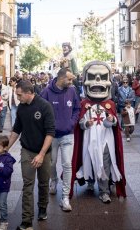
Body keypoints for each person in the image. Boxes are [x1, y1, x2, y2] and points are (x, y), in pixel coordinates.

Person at [71, 61, 126, 204]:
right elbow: (80, 124)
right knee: (89, 160)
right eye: (92, 77)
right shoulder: (84, 104)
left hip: (106, 139)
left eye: (102, 77)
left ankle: (104, 191)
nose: (97, 82)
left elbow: (115, 123)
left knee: (104, 163)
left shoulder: (111, 104)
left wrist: (111, 119)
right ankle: (89, 181)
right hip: (89, 140)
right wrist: (85, 123)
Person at [7, 80, 55, 230]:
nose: (17, 97)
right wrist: (5, 149)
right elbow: (16, 130)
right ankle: (26, 221)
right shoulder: (21, 107)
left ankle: (42, 208)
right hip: (27, 150)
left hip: (44, 152)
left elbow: (50, 132)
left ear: (29, 93)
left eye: (19, 94)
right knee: (28, 185)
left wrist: (41, 155)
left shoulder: (45, 106)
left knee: (43, 183)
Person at [40, 68, 80, 212]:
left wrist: (72, 123)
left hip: (68, 134)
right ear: (61, 78)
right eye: (69, 79)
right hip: (51, 135)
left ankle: (65, 197)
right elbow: (39, 110)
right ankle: (54, 180)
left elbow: (77, 108)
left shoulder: (72, 90)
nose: (71, 82)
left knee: (67, 164)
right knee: (52, 163)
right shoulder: (46, 92)